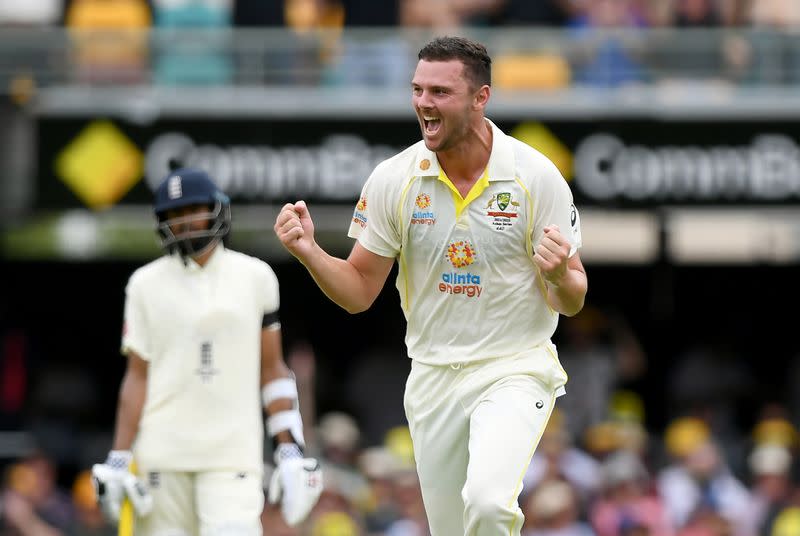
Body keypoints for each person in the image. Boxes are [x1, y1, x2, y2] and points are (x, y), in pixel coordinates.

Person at [274, 36, 587, 536]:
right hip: (432, 376)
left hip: (515, 367)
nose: (424, 103)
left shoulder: (536, 176)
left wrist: (557, 276)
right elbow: (358, 292)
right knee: (452, 529)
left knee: (487, 505)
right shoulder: (393, 179)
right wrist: (309, 252)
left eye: (440, 91)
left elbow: (572, 298)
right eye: (418, 89)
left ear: (480, 98)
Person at [91, 167, 322, 535]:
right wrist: (119, 457)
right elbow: (137, 377)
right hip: (162, 456)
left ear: (216, 209)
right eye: (174, 213)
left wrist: (290, 450)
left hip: (233, 456)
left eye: (192, 209)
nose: (184, 221)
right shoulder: (143, 284)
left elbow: (272, 369)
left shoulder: (256, 276)